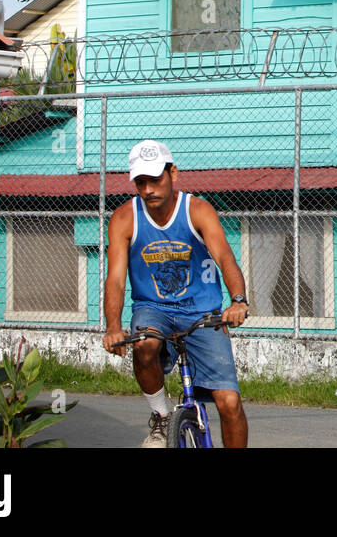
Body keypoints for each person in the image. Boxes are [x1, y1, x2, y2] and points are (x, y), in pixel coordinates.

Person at [102, 140, 250, 448]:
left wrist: (237, 300)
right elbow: (115, 279)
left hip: (202, 312)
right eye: (140, 182)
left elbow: (225, 257)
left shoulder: (197, 210)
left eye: (155, 179)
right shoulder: (124, 218)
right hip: (153, 309)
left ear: (173, 173)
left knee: (229, 404)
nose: (148, 189)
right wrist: (113, 327)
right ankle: (162, 418)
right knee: (144, 345)